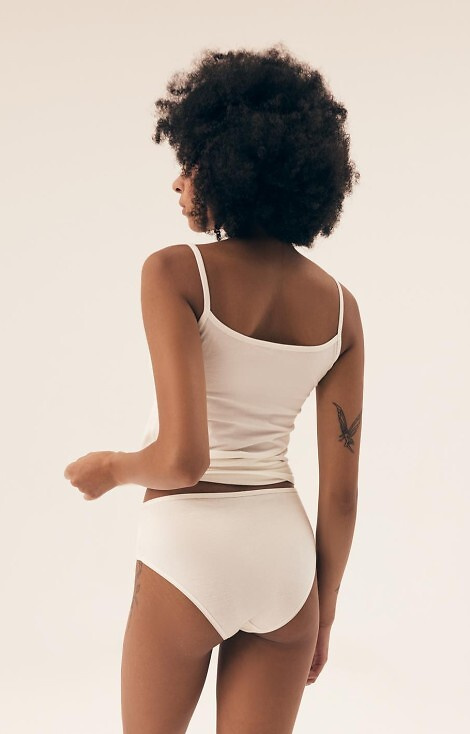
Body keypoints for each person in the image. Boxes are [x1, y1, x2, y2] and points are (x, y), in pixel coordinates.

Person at [65, 43, 364, 734]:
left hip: (189, 550)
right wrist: (323, 611)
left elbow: (183, 459)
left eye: (191, 162)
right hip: (286, 562)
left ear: (234, 163)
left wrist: (110, 468)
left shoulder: (175, 273)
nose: (178, 183)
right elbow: (343, 495)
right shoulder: (342, 310)